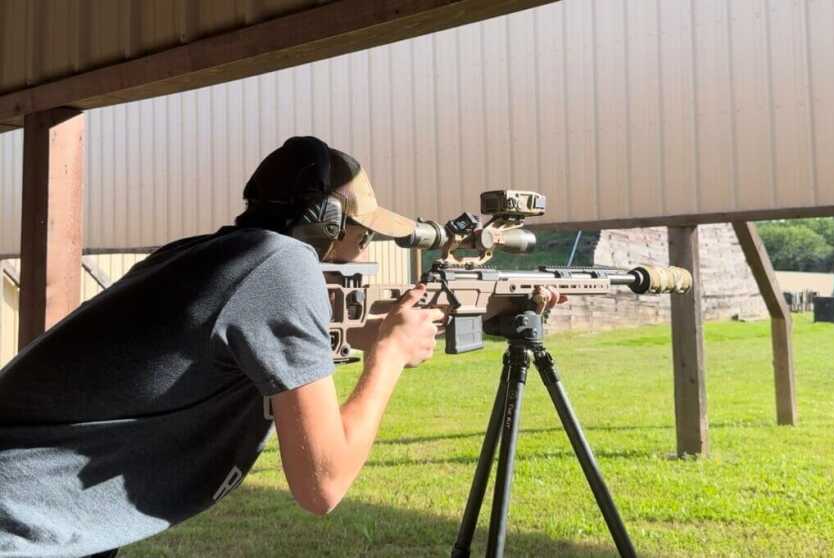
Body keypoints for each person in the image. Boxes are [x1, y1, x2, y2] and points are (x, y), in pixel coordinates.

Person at [0, 136, 558, 557]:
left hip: (44, 512)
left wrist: (476, 309)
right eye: (359, 226)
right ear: (324, 218)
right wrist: (387, 358)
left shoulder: (208, 255)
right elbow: (323, 484)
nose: (366, 240)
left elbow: (272, 343)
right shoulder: (283, 265)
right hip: (23, 523)